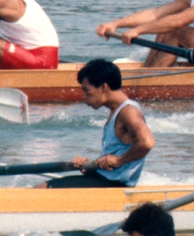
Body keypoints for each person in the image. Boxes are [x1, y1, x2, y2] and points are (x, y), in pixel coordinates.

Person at [47, 59, 154, 189]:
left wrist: (120, 160)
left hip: (112, 184)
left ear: (103, 87)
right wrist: (90, 165)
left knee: (43, 189)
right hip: (102, 178)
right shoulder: (117, 110)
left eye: (87, 91)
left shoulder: (128, 111)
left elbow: (147, 142)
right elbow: (114, 154)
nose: (84, 97)